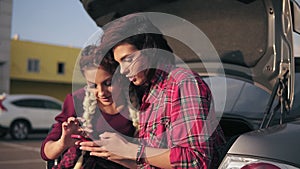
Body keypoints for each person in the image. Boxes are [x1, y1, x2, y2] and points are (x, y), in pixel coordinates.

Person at [79, 13, 226, 169]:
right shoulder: (150, 94)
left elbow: (195, 160)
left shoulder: (183, 82)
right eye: (118, 63)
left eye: (128, 59)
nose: (122, 71)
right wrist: (113, 152)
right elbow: (148, 164)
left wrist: (131, 150)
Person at [40, 45, 138, 169]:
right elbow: (46, 153)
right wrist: (62, 143)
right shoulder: (77, 100)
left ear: (120, 77)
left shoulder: (138, 100)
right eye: (93, 86)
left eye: (108, 83)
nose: (101, 92)